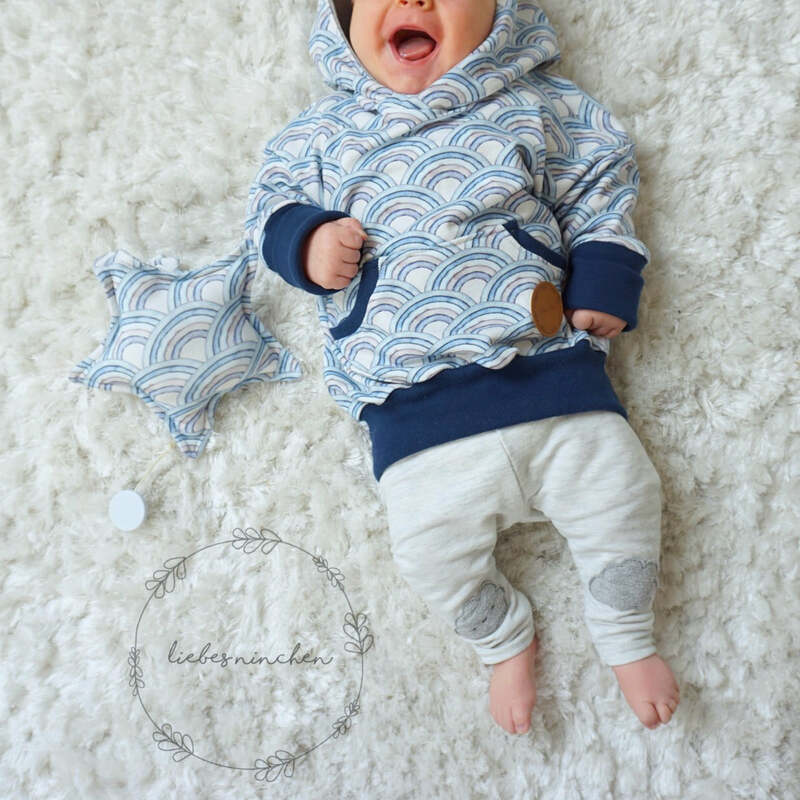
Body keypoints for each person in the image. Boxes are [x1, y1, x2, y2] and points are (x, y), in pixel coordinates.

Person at [245, 0, 680, 735]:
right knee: (428, 558)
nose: (413, 2)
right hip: (415, 417)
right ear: (344, 22)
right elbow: (269, 208)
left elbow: (599, 182)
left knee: (626, 498)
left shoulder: (535, 103)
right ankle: (502, 638)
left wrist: (605, 272)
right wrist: (307, 242)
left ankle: (626, 633)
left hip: (553, 381)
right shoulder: (320, 134)